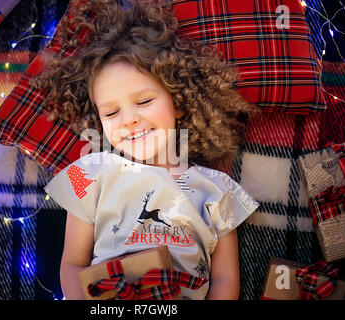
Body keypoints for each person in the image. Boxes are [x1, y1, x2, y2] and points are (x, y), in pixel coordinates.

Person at [33, 0, 259, 300]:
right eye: (112, 113)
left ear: (177, 102)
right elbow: (73, 263)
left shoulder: (218, 190)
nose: (129, 120)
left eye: (143, 101)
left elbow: (225, 278)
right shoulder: (88, 174)